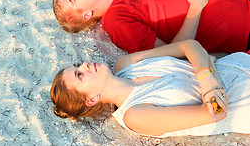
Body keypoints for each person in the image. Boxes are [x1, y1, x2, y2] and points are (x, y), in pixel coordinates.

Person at [50, 39, 250, 137]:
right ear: (92, 99)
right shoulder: (135, 114)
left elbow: (189, 45)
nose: (85, 65)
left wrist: (206, 77)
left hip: (242, 61)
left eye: (78, 66)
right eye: (80, 75)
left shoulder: (125, 64)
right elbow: (216, 113)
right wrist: (208, 63)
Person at [53, 0, 250, 54]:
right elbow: (175, 53)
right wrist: (196, 6)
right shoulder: (117, 22)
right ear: (87, 14)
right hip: (242, 25)